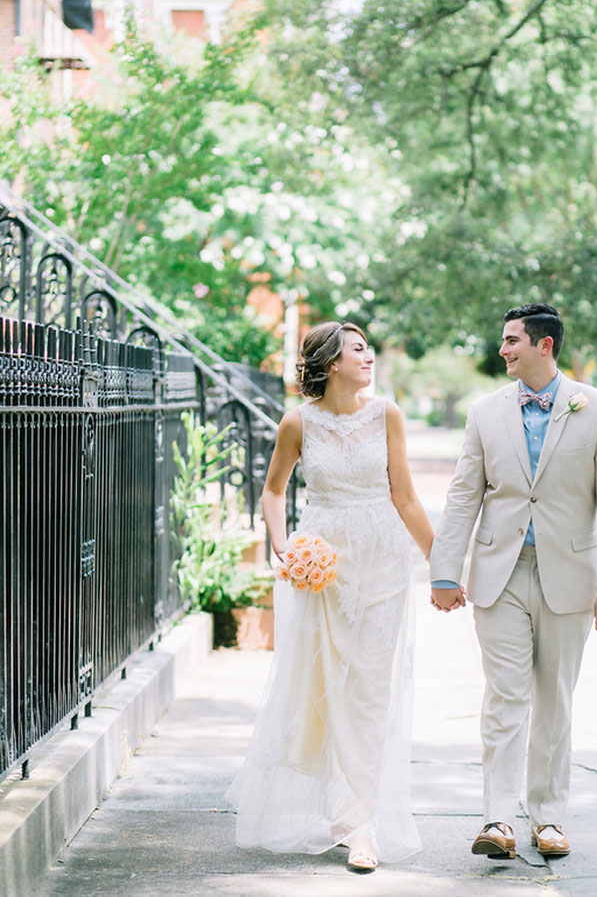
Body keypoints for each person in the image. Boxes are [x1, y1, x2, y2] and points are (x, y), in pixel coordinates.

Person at [430, 303, 597, 860]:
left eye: (512, 340)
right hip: (499, 575)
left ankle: (548, 820)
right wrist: (445, 571)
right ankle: (497, 819)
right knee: (505, 697)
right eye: (502, 340)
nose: (503, 350)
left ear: (544, 345)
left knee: (555, 703)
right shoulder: (484, 412)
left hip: (572, 577)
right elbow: (463, 495)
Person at [235, 321, 433, 872]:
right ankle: (343, 813)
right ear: (331, 362)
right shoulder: (297, 423)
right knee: (328, 688)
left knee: (369, 691)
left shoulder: (386, 414)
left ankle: (362, 825)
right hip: (322, 568)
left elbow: (407, 498)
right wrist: (285, 547)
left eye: (368, 349)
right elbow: (274, 491)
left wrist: (443, 565)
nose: (368, 357)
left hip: (383, 565)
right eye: (358, 350)